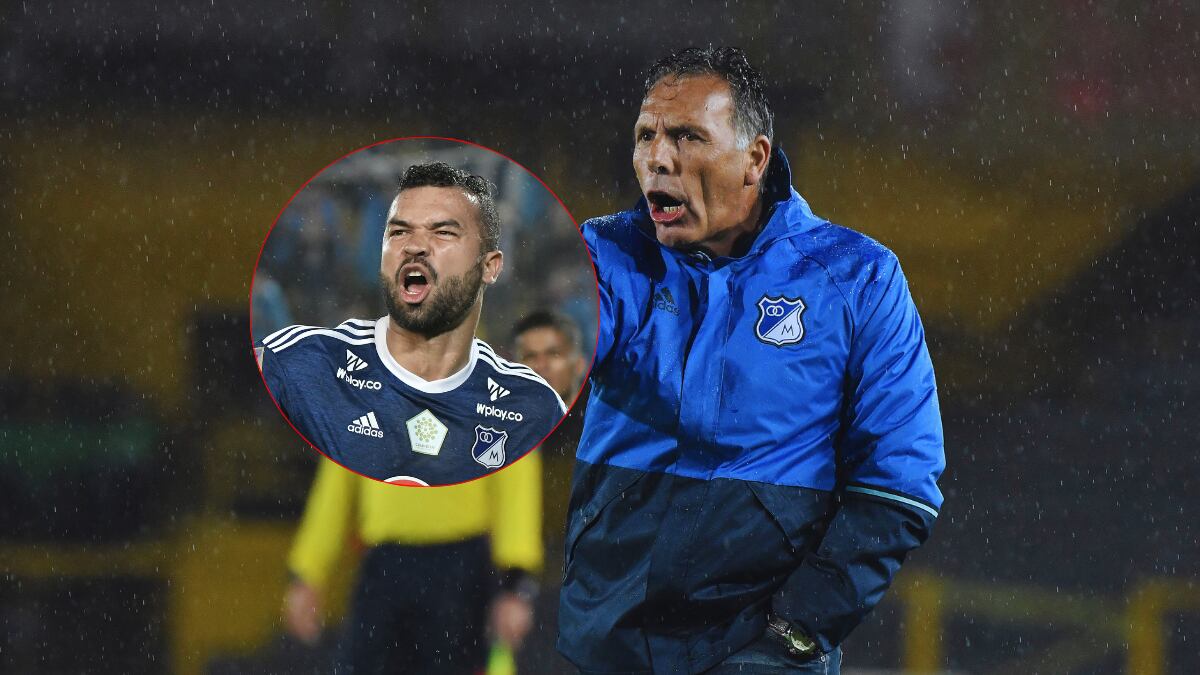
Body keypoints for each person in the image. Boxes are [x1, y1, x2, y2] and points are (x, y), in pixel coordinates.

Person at [557, 47, 946, 674]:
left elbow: (902, 478)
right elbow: (543, 348)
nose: (659, 158)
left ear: (754, 159)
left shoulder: (858, 278)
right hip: (610, 640)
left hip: (760, 652)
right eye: (647, 136)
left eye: (687, 136)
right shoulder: (606, 256)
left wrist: (801, 626)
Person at [257, 162, 566, 485]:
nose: (414, 246)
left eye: (443, 232)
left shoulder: (532, 408)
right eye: (399, 231)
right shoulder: (305, 362)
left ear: (490, 267)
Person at [282, 451, 542, 674]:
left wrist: (516, 582)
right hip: (385, 568)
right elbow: (336, 481)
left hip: (459, 571)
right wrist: (308, 572)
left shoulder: (484, 395)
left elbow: (515, 473)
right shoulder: (368, 396)